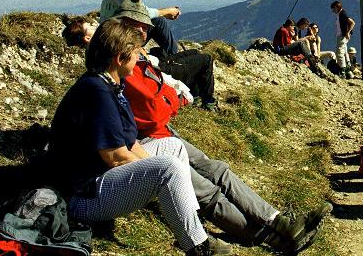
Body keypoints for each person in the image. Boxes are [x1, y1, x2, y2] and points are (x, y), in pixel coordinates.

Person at [116, 17, 330, 254]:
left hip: (164, 135)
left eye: (145, 26)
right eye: (138, 27)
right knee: (207, 193)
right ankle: (273, 238)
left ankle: (282, 223)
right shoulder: (126, 72)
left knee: (219, 171)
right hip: (150, 142)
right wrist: (174, 100)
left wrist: (169, 97)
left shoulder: (139, 61)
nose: (145, 31)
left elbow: (164, 90)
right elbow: (157, 108)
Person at [47, 20, 231, 255]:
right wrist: (157, 177)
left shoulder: (109, 83)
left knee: (172, 147)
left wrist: (155, 176)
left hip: (99, 179)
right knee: (168, 167)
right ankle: (198, 247)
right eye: (135, 53)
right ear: (119, 58)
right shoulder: (98, 93)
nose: (139, 58)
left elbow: (130, 142)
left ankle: (191, 221)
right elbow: (116, 157)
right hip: (82, 197)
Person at [64, 0, 219, 110]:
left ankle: (199, 93)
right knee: (205, 59)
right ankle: (207, 101)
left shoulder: (98, 47)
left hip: (154, 63)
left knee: (193, 52)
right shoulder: (107, 43)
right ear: (87, 38)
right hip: (157, 70)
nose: (93, 24)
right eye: (89, 26)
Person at [330, 1, 355, 79]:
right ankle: (348, 70)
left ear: (337, 7)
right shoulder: (340, 14)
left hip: (342, 36)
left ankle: (342, 71)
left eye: (334, 8)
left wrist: (348, 32)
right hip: (341, 35)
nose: (333, 10)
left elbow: (352, 23)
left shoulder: (342, 14)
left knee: (339, 53)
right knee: (344, 52)